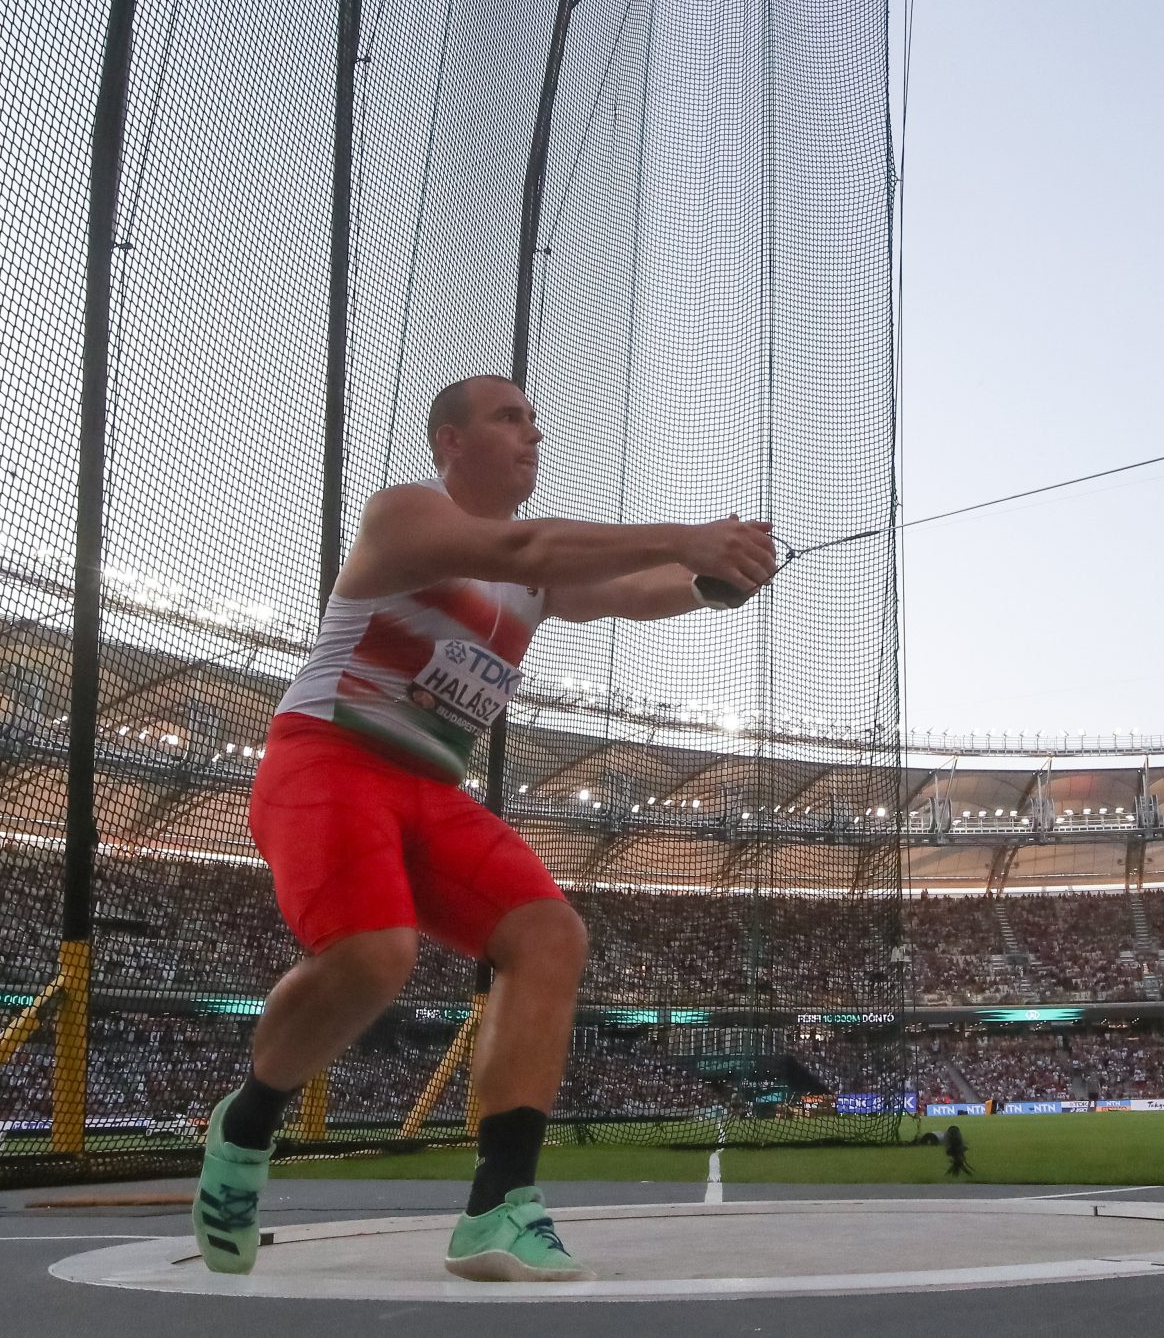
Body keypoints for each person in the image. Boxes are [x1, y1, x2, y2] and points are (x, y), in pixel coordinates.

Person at [193, 375, 776, 1281]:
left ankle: (499, 1206)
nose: (532, 436)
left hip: (432, 790)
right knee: (376, 955)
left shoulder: (539, 576)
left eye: (536, 424)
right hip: (327, 759)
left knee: (550, 935)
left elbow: (632, 591)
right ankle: (246, 1126)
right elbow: (527, 541)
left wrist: (715, 578)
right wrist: (688, 536)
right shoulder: (405, 517)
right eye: (510, 419)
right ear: (449, 442)